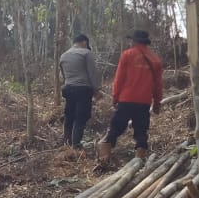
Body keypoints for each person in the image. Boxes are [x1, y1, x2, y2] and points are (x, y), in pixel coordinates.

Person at [97, 29, 163, 163]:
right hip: (144, 101)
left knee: (115, 128)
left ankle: (104, 158)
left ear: (133, 41)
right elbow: (158, 84)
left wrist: (115, 97)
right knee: (141, 131)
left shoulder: (127, 55)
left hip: (126, 99)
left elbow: (119, 79)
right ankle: (139, 160)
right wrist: (157, 102)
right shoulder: (155, 59)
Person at [59, 34, 102, 149]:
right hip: (83, 90)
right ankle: (76, 145)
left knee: (69, 116)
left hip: (68, 89)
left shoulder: (63, 56)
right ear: (84, 43)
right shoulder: (86, 53)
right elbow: (92, 73)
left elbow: (63, 76)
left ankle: (66, 143)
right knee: (80, 117)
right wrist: (97, 90)